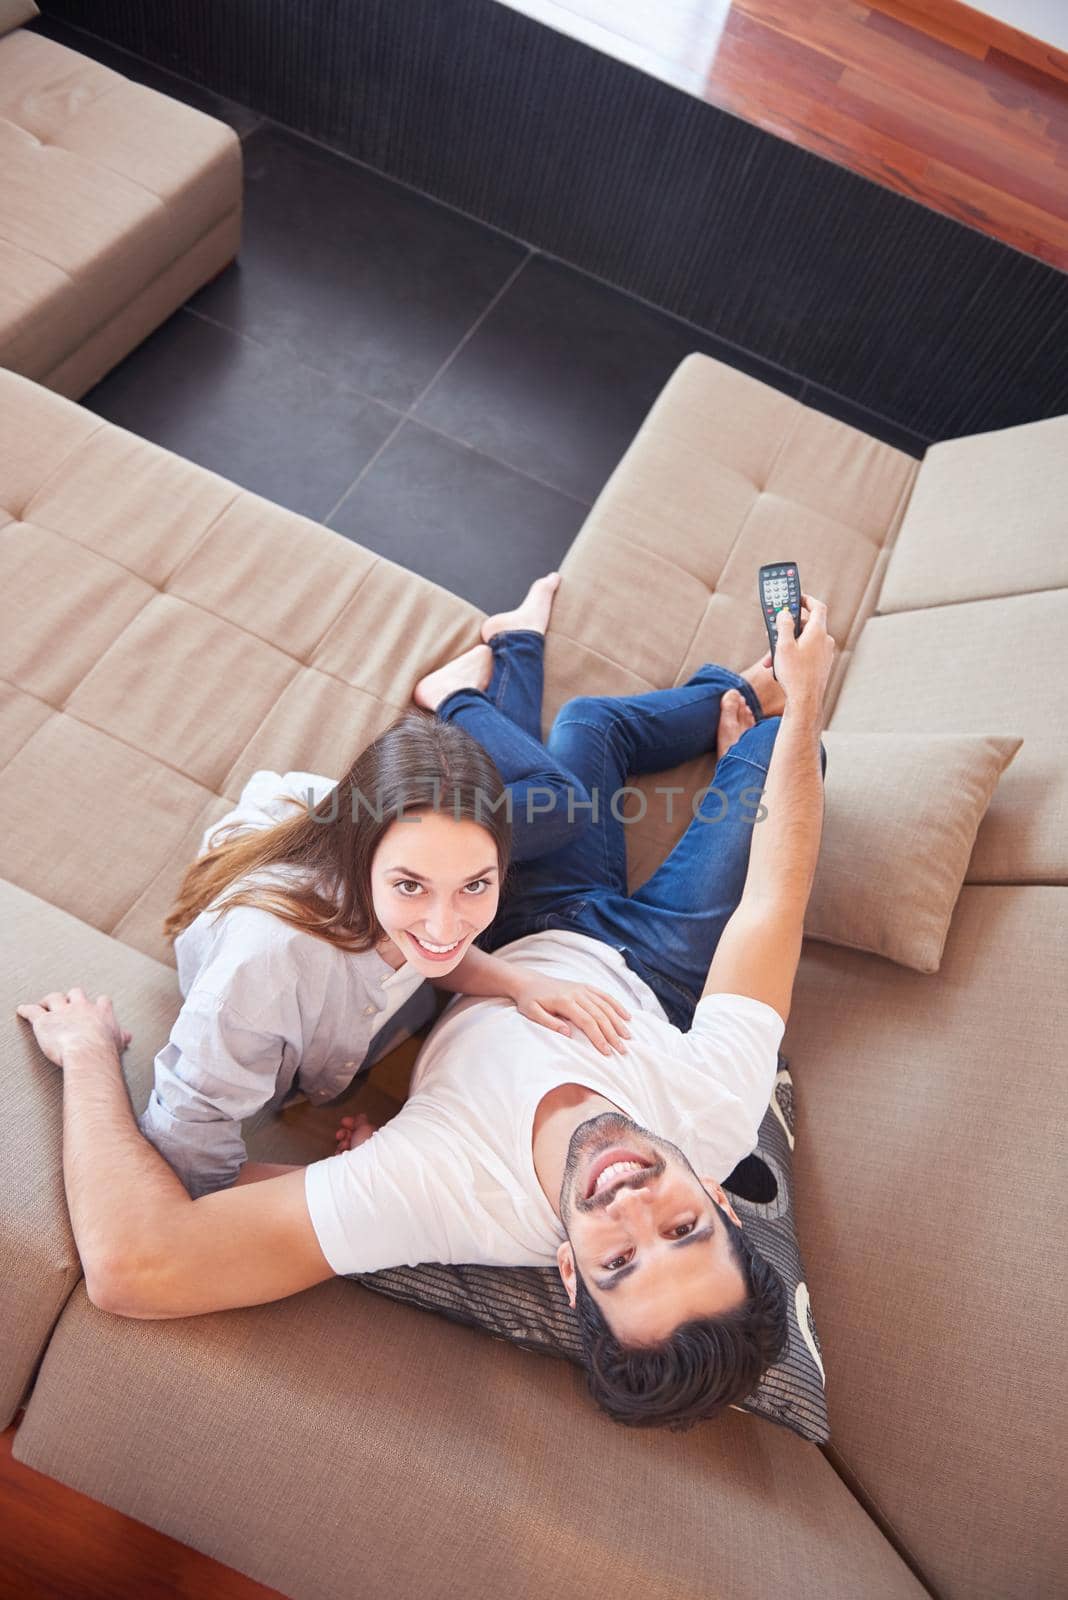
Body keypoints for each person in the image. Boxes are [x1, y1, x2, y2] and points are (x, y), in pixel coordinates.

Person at [16, 592, 834, 1432]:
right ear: (725, 1203)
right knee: (759, 746)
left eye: (620, 1259)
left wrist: (85, 1057)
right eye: (684, 1226)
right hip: (650, 965)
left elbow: (134, 1267)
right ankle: (736, 721)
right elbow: (774, 900)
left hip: (504, 931)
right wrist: (805, 694)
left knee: (590, 753)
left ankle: (484, 693)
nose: (631, 1201)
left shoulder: (442, 1196)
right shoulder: (721, 1113)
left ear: (567, 1272)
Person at [137, 572, 631, 1199]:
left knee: (562, 806)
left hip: (358, 834)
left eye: (477, 885)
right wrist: (355, 1184)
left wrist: (521, 981)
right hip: (293, 878)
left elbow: (428, 954)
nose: (447, 927)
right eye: (411, 887)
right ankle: (479, 678)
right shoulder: (265, 972)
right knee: (563, 802)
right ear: (361, 856)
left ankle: (507, 655)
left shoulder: (420, 891)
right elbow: (184, 1147)